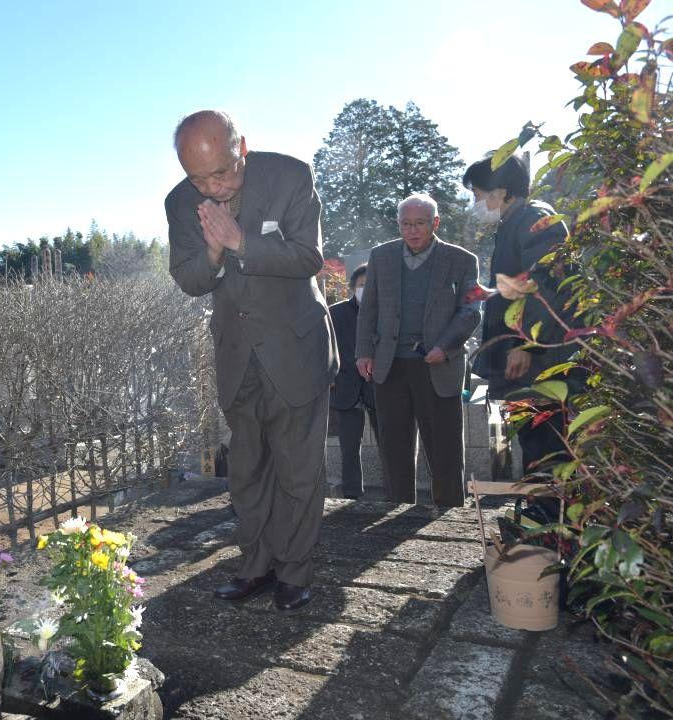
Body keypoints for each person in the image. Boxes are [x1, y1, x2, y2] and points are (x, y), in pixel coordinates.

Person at [166, 110, 337, 611]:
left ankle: (295, 572)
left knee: (299, 471)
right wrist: (215, 255)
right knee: (247, 472)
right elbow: (190, 279)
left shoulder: (290, 175)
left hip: (294, 349)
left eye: (221, 172)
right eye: (197, 177)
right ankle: (255, 567)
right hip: (237, 354)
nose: (212, 188)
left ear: (243, 147)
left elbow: (308, 256)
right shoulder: (181, 202)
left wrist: (241, 243)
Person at [355, 194, 480, 507]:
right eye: (405, 224)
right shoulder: (381, 257)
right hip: (390, 364)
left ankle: (451, 515)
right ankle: (398, 509)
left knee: (445, 451)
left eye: (420, 224)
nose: (412, 231)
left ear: (435, 223)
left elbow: (471, 311)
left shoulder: (461, 260)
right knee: (394, 448)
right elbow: (368, 308)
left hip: (438, 364)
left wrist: (445, 345)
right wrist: (363, 352)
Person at [463, 153, 573, 479]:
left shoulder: (533, 220)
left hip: (536, 365)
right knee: (533, 441)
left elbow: (546, 284)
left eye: (478, 195)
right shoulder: (515, 222)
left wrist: (527, 344)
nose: (475, 203)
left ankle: (550, 522)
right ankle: (543, 522)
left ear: (501, 191)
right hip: (526, 367)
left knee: (545, 448)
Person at [328, 265, 381, 500]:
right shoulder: (335, 313)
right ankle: (352, 495)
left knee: (389, 448)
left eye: (371, 285)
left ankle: (396, 495)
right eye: (361, 285)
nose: (365, 290)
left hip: (379, 389)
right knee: (349, 449)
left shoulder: (387, 313)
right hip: (346, 389)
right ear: (353, 287)